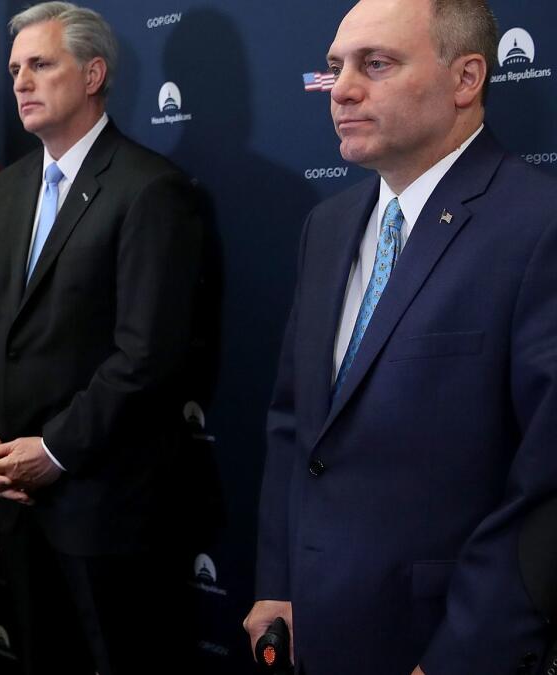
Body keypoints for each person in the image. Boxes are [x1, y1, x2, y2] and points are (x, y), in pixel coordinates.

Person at [244, 1, 557, 673]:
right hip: (314, 632)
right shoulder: (326, 226)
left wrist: (459, 657)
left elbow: (547, 485)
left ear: (466, 78)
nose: (342, 88)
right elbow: (295, 423)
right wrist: (279, 583)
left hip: (444, 641)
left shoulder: (539, 225)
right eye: (335, 67)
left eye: (375, 64)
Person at [0, 3, 205, 673]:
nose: (21, 82)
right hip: (15, 498)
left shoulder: (150, 189)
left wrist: (55, 450)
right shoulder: (1, 196)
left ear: (93, 73)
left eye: (40, 64)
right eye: (13, 70)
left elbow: (148, 356)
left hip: (107, 506)